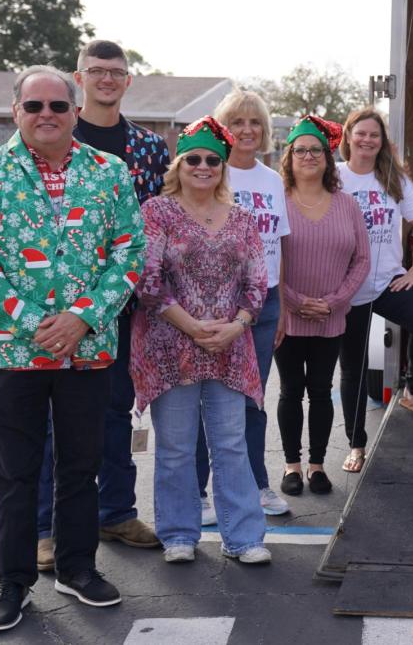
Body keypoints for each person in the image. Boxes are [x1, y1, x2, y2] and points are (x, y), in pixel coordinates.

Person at [0, 65, 142, 630]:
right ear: (16, 112)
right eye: (34, 107)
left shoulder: (109, 173)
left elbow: (129, 251)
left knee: (82, 467)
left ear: (75, 112)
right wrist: (37, 323)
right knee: (15, 474)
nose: (46, 116)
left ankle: (77, 567)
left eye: (58, 106)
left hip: (87, 350)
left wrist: (81, 319)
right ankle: (13, 583)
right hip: (12, 354)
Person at [33, 40, 168, 571]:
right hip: (55, 307)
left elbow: (158, 224)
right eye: (96, 71)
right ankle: (46, 528)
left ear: (128, 81)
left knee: (116, 411)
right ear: (78, 77)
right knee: (50, 419)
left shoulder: (150, 148)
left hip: (123, 303)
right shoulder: (53, 133)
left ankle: (115, 510)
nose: (106, 80)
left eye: (116, 72)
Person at [131, 116, 273, 566]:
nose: (203, 166)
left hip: (231, 348)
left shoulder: (243, 218)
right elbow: (147, 280)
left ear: (223, 167)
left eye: (213, 159)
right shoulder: (157, 212)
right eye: (193, 158)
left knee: (230, 443)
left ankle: (244, 538)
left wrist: (238, 324)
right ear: (179, 164)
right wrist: (192, 327)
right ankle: (178, 534)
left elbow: (258, 282)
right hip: (171, 347)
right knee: (175, 446)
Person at [193, 89, 291, 521]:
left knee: (252, 397)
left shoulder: (274, 182)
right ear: (221, 129)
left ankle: (257, 484)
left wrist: (282, 305)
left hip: (264, 302)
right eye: (237, 122)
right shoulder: (209, 172)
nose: (247, 130)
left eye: (255, 122)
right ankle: (197, 492)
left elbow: (278, 249)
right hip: (213, 302)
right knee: (201, 397)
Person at [336, 107, 413, 473]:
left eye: (374, 135)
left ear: (382, 143)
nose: (367, 140)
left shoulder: (392, 178)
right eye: (360, 133)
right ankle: (356, 445)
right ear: (348, 136)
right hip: (345, 290)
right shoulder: (333, 178)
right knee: (354, 370)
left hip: (386, 282)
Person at [273, 115, 368, 496]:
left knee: (321, 388)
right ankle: (291, 465)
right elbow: (265, 256)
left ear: (328, 158)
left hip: (331, 318)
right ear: (289, 157)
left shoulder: (347, 205)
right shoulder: (277, 202)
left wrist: (334, 302)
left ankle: (317, 466)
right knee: (291, 389)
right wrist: (294, 301)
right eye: (301, 150)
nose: (309, 156)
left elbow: (362, 259)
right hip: (289, 318)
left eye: (316, 150)